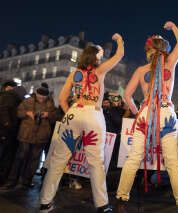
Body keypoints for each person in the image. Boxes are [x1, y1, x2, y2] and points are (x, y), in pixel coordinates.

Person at [39, 34, 124, 213]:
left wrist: (71, 113)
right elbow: (119, 55)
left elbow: (62, 99)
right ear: (95, 59)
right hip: (93, 115)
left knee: (58, 160)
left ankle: (45, 202)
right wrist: (119, 40)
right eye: (99, 57)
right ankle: (102, 205)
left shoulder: (73, 74)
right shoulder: (99, 71)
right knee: (95, 162)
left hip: (74, 113)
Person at [116, 21, 178, 213]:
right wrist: (173, 26)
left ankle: (121, 201)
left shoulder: (141, 70)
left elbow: (127, 96)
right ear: (165, 49)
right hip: (166, 111)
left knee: (133, 158)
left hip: (146, 113)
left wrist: (137, 112)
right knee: (172, 161)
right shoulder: (170, 64)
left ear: (148, 50)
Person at [0, 83, 55, 190]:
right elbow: (18, 112)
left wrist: (48, 115)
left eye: (44, 97)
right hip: (25, 134)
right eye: (40, 96)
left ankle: (27, 181)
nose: (41, 98)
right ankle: (12, 181)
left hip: (41, 136)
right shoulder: (27, 101)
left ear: (47, 96)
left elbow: (55, 116)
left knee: (34, 160)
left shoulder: (50, 104)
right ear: (36, 93)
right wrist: (26, 113)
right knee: (19, 157)